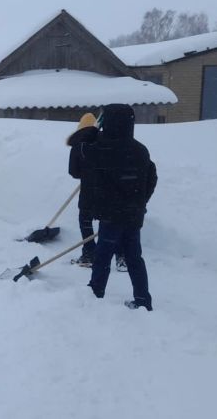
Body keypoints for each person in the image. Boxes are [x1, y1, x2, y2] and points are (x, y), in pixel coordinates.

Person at [77, 104, 158, 311]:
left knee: (103, 257)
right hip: (133, 216)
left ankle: (94, 296)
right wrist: (141, 202)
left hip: (111, 216)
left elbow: (79, 164)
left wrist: (88, 136)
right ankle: (142, 300)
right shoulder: (140, 150)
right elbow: (152, 178)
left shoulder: (101, 147)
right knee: (134, 258)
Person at [67, 112, 127, 271]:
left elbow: (73, 172)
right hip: (107, 192)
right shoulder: (106, 141)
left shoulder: (78, 145)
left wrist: (85, 174)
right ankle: (121, 257)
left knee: (85, 221)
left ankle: (89, 253)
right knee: (110, 223)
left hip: (88, 192)